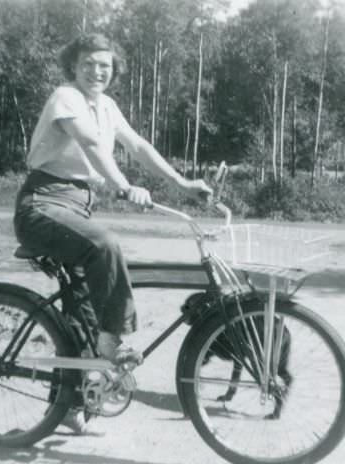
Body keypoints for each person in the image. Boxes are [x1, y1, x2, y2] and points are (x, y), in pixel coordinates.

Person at [13, 33, 212, 432]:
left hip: (76, 205)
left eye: (104, 65)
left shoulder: (107, 106)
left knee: (84, 309)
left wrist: (183, 183)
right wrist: (122, 185)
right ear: (74, 65)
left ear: (113, 70)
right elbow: (89, 144)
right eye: (88, 63)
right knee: (105, 245)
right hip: (43, 204)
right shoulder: (65, 97)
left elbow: (137, 146)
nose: (96, 71)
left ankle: (69, 405)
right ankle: (112, 342)